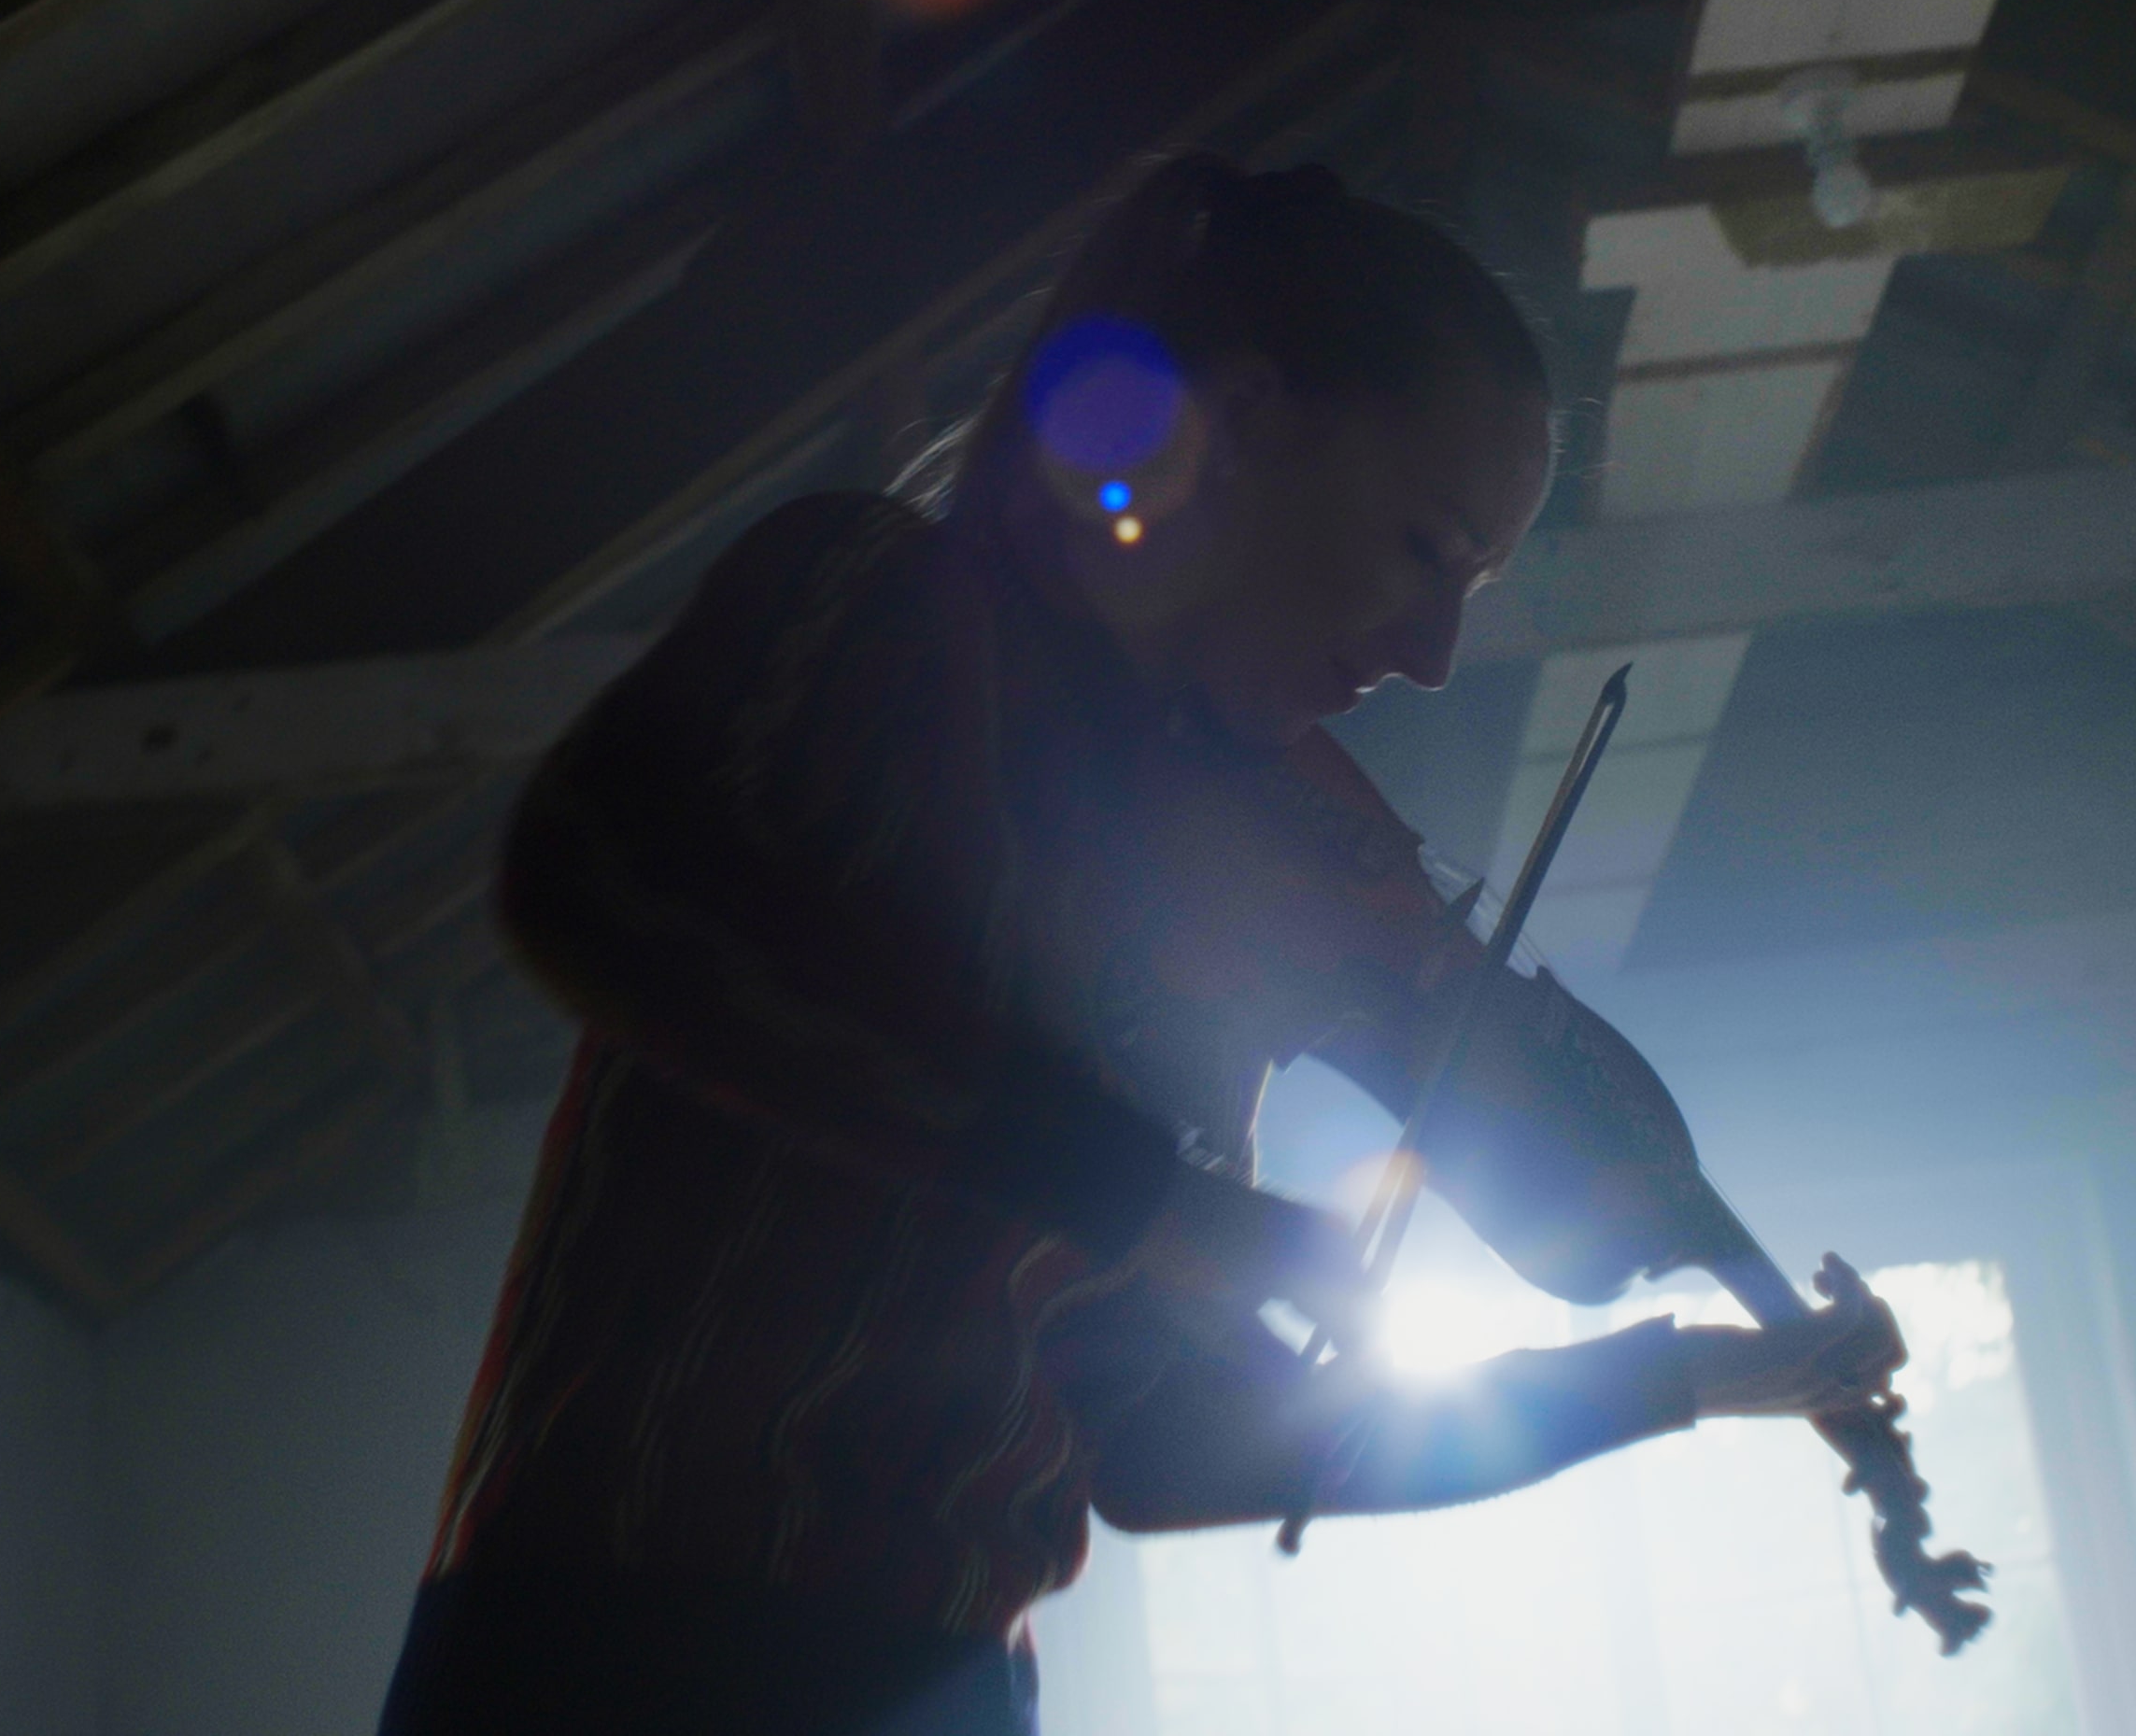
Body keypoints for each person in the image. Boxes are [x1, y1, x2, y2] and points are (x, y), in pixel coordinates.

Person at [379, 155, 1907, 1736]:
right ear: (1243, 428)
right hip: (613, 1649)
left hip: (944, 1686)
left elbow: (1170, 1444)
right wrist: (1154, 1201)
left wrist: (1696, 1377)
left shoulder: (1195, 927)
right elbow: (595, 885)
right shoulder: (871, 604)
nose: (1436, 654)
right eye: (1421, 548)